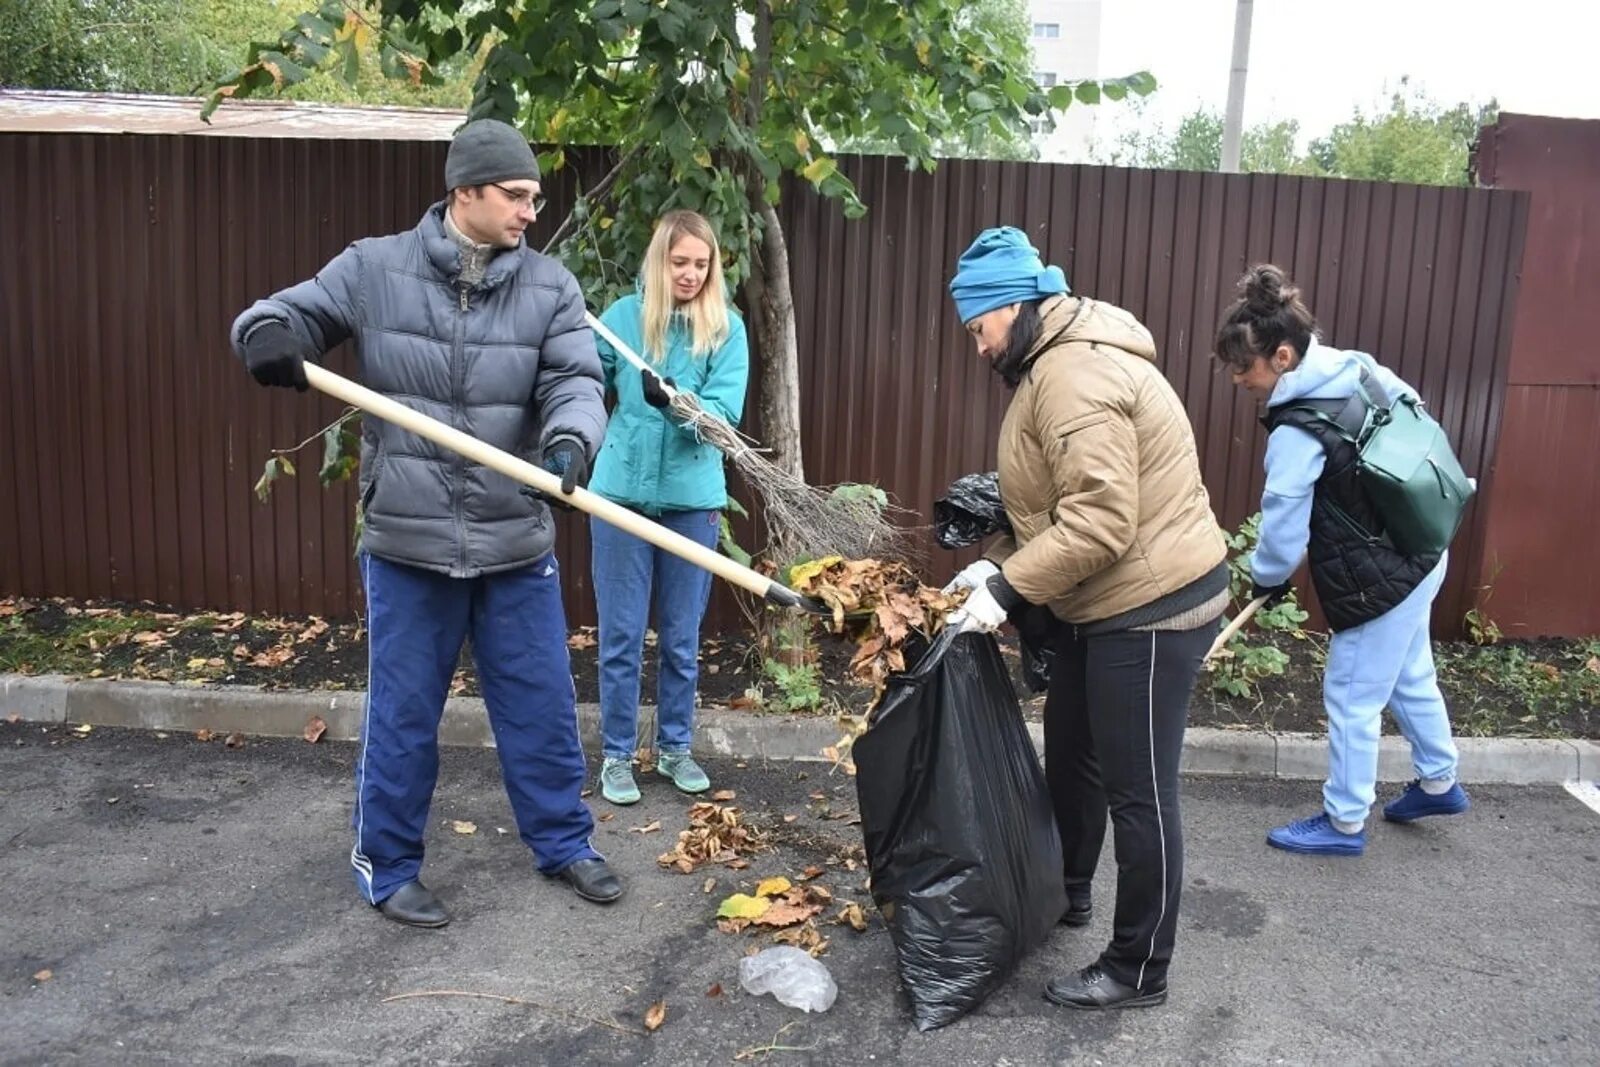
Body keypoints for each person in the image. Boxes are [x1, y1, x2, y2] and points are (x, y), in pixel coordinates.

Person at [228, 118, 622, 927]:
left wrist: (573, 441)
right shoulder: (374, 268)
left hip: (513, 538)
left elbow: (576, 381)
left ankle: (564, 842)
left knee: (543, 706)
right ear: (465, 191)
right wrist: (269, 336)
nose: (529, 212)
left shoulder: (550, 287)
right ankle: (389, 865)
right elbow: (280, 315)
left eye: (535, 197)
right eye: (516, 195)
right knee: (403, 716)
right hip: (409, 542)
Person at [942, 226, 1229, 1011]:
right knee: (1072, 751)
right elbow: (1059, 501)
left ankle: (1141, 967)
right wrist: (999, 555)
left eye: (979, 328)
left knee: (1140, 790)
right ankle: (1066, 892)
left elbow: (1101, 521)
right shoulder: (1050, 362)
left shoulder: (1070, 374)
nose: (978, 347)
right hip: (1105, 599)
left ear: (1015, 305)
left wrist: (1006, 589)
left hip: (1153, 603)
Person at [1214, 264, 1470, 857]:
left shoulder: (1297, 431)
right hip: (1424, 547)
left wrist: (1268, 578)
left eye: (1242, 366)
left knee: (1352, 693)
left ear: (1281, 356)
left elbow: (1283, 519)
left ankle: (1344, 820)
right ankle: (1438, 780)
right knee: (1409, 673)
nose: (1236, 379)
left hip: (1379, 578)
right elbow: (1416, 416)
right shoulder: (1358, 367)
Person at [585, 210, 749, 805]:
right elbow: (578, 380)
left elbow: (725, 418)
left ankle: (676, 749)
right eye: (679, 262)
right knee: (622, 636)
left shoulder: (726, 329)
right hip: (620, 497)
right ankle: (618, 757)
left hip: (691, 502)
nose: (690, 274)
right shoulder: (621, 321)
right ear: (660, 261)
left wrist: (679, 404)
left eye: (701, 264)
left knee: (681, 637)